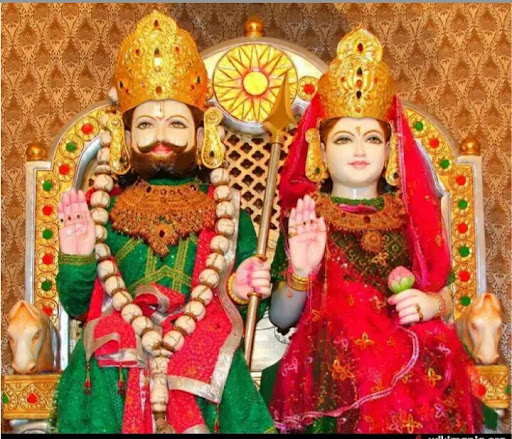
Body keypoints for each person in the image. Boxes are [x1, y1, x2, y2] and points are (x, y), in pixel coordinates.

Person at [53, 11, 274, 434]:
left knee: (208, 357)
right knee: (108, 349)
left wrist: (239, 286)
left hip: (203, 347)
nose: (161, 136)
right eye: (145, 124)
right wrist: (78, 259)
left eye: (175, 123)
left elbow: (250, 305)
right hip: (115, 363)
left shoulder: (227, 212)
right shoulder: (104, 211)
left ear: (201, 134)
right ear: (124, 137)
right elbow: (78, 305)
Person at [261, 27, 482, 433]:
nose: (360, 150)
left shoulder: (409, 215)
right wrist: (301, 273)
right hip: (331, 360)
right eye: (345, 139)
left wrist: (431, 305)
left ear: (390, 149)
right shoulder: (307, 217)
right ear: (320, 150)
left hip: (407, 353)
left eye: (373, 138)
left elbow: (446, 294)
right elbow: (280, 316)